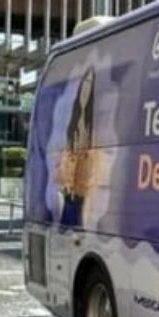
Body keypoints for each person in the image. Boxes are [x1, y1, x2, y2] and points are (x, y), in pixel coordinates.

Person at [57, 67, 96, 227]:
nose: (87, 87)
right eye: (85, 82)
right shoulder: (72, 124)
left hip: (80, 193)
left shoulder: (90, 127)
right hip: (68, 193)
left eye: (90, 83)